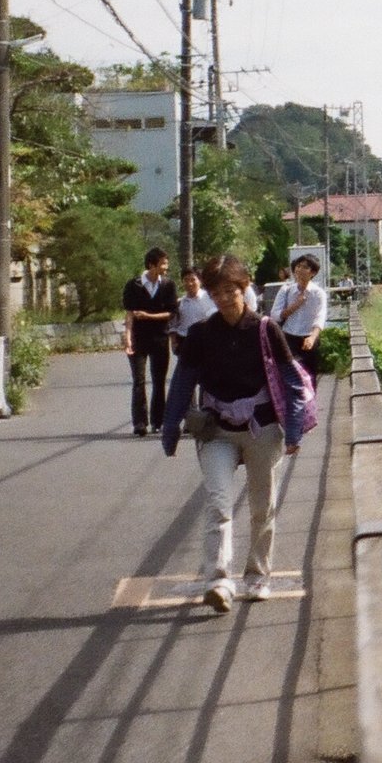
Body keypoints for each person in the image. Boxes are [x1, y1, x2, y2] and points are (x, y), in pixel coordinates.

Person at [163, 255, 305, 611]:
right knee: (218, 504)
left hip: (263, 429)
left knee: (262, 507)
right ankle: (218, 580)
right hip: (218, 431)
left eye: (230, 290)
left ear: (245, 288)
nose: (224, 298)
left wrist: (294, 429)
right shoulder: (200, 334)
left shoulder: (265, 329)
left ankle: (257, 575)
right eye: (216, 292)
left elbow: (291, 380)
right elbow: (182, 383)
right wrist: (169, 427)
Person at [121, 248, 179, 437]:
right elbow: (129, 313)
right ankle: (139, 422)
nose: (165, 267)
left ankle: (158, 420)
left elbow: (171, 313)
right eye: (162, 263)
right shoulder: (133, 285)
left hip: (160, 338)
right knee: (139, 381)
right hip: (139, 338)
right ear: (151, 265)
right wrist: (128, 337)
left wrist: (149, 316)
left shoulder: (169, 285)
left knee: (159, 381)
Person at [274, 253, 327, 364]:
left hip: (308, 338)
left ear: (313, 273)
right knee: (289, 374)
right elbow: (275, 315)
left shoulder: (318, 293)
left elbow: (320, 317)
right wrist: (295, 305)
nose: (300, 270)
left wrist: (312, 338)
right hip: (288, 336)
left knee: (309, 376)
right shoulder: (286, 290)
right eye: (298, 266)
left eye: (305, 267)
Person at [173, 266, 216, 339]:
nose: (189, 283)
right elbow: (173, 324)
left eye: (193, 280)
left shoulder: (211, 298)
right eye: (186, 280)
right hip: (184, 340)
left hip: (206, 339)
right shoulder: (180, 303)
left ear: (200, 281)